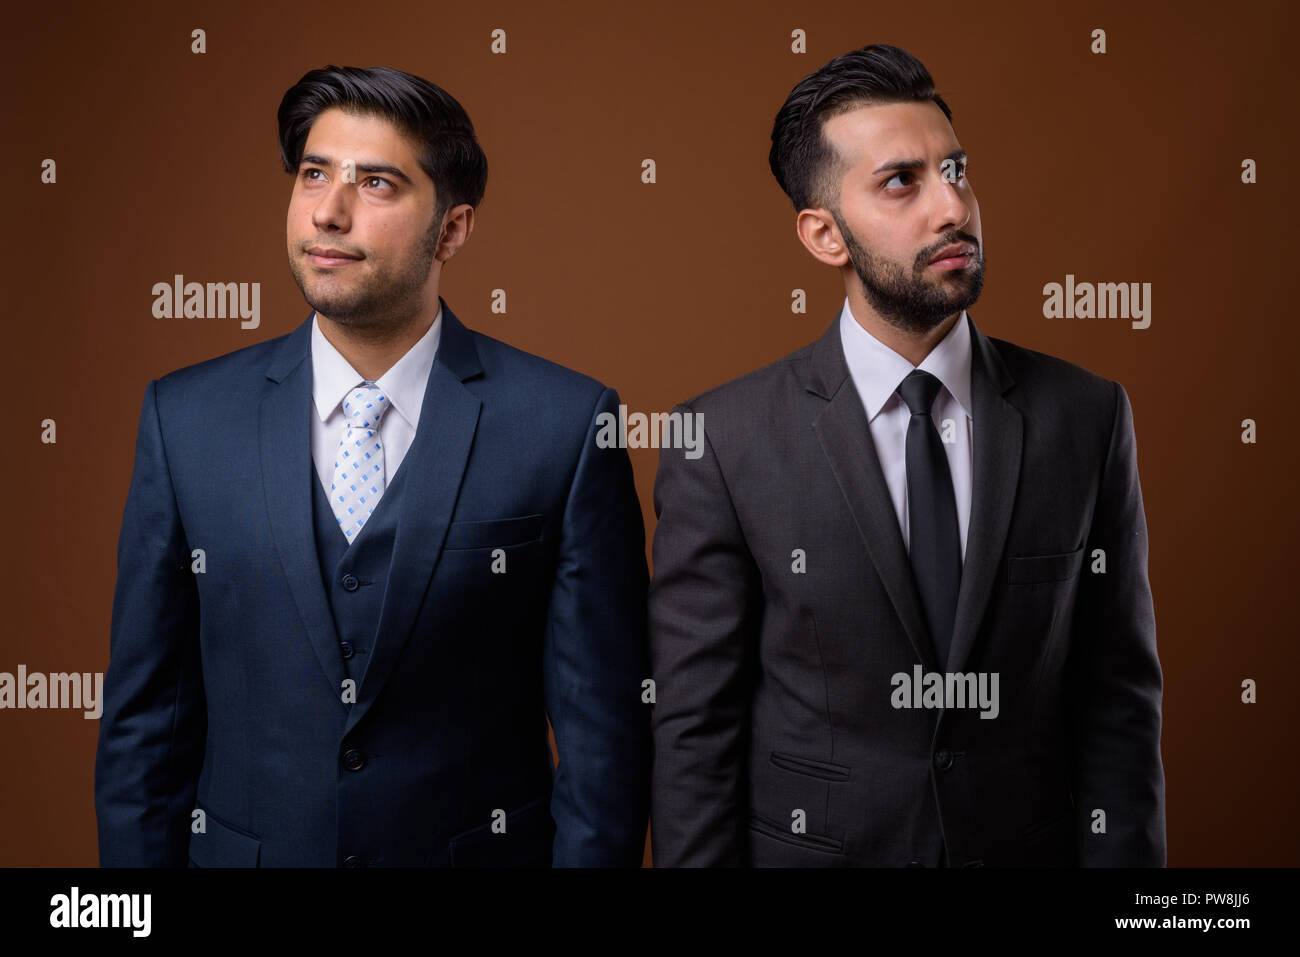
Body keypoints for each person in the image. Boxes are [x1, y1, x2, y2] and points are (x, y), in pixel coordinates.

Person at [94, 65, 650, 867]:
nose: (328, 209)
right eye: (314, 173)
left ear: (453, 230)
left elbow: (605, 745)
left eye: (377, 183)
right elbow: (145, 728)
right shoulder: (185, 421)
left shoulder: (563, 425)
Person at [647, 44, 1165, 867]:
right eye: (903, 182)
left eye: (955, 170)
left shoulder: (1086, 416)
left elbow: (1118, 701)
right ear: (824, 234)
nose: (952, 206)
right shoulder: (722, 441)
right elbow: (693, 733)